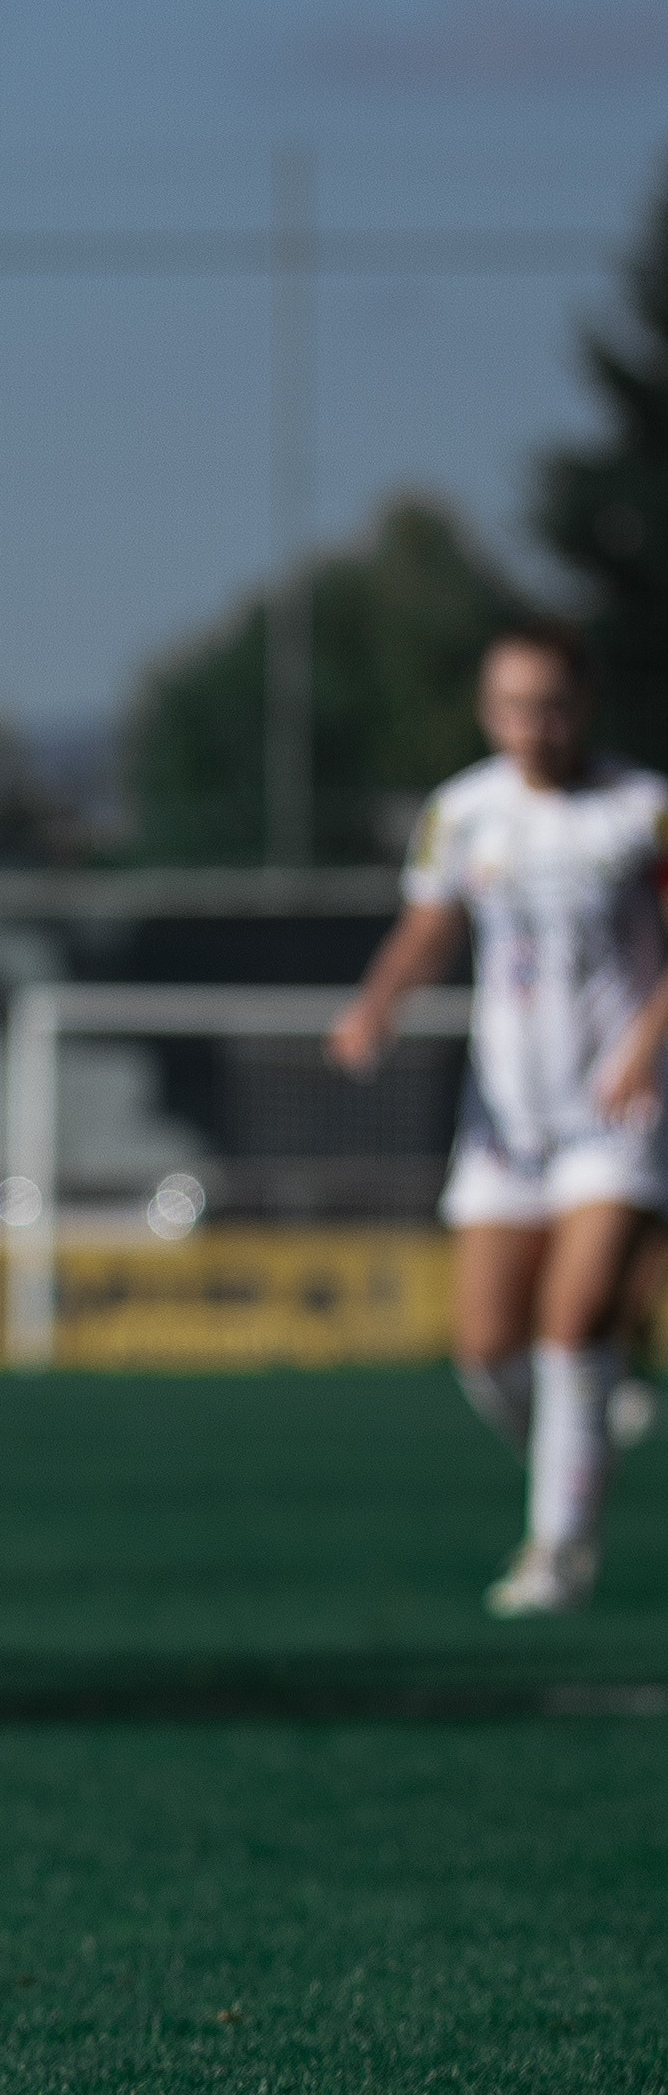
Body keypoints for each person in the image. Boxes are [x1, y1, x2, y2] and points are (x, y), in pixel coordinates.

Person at [329, 623, 668, 1615]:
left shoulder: (643, 811)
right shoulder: (464, 811)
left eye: (553, 705)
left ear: (585, 704)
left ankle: (558, 1548)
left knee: (572, 1326)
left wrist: (644, 1048)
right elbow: (429, 925)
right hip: (504, 1119)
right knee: (486, 1351)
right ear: (489, 712)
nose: (536, 726)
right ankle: (580, 1441)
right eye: (516, 707)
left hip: (618, 1111)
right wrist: (377, 1001)